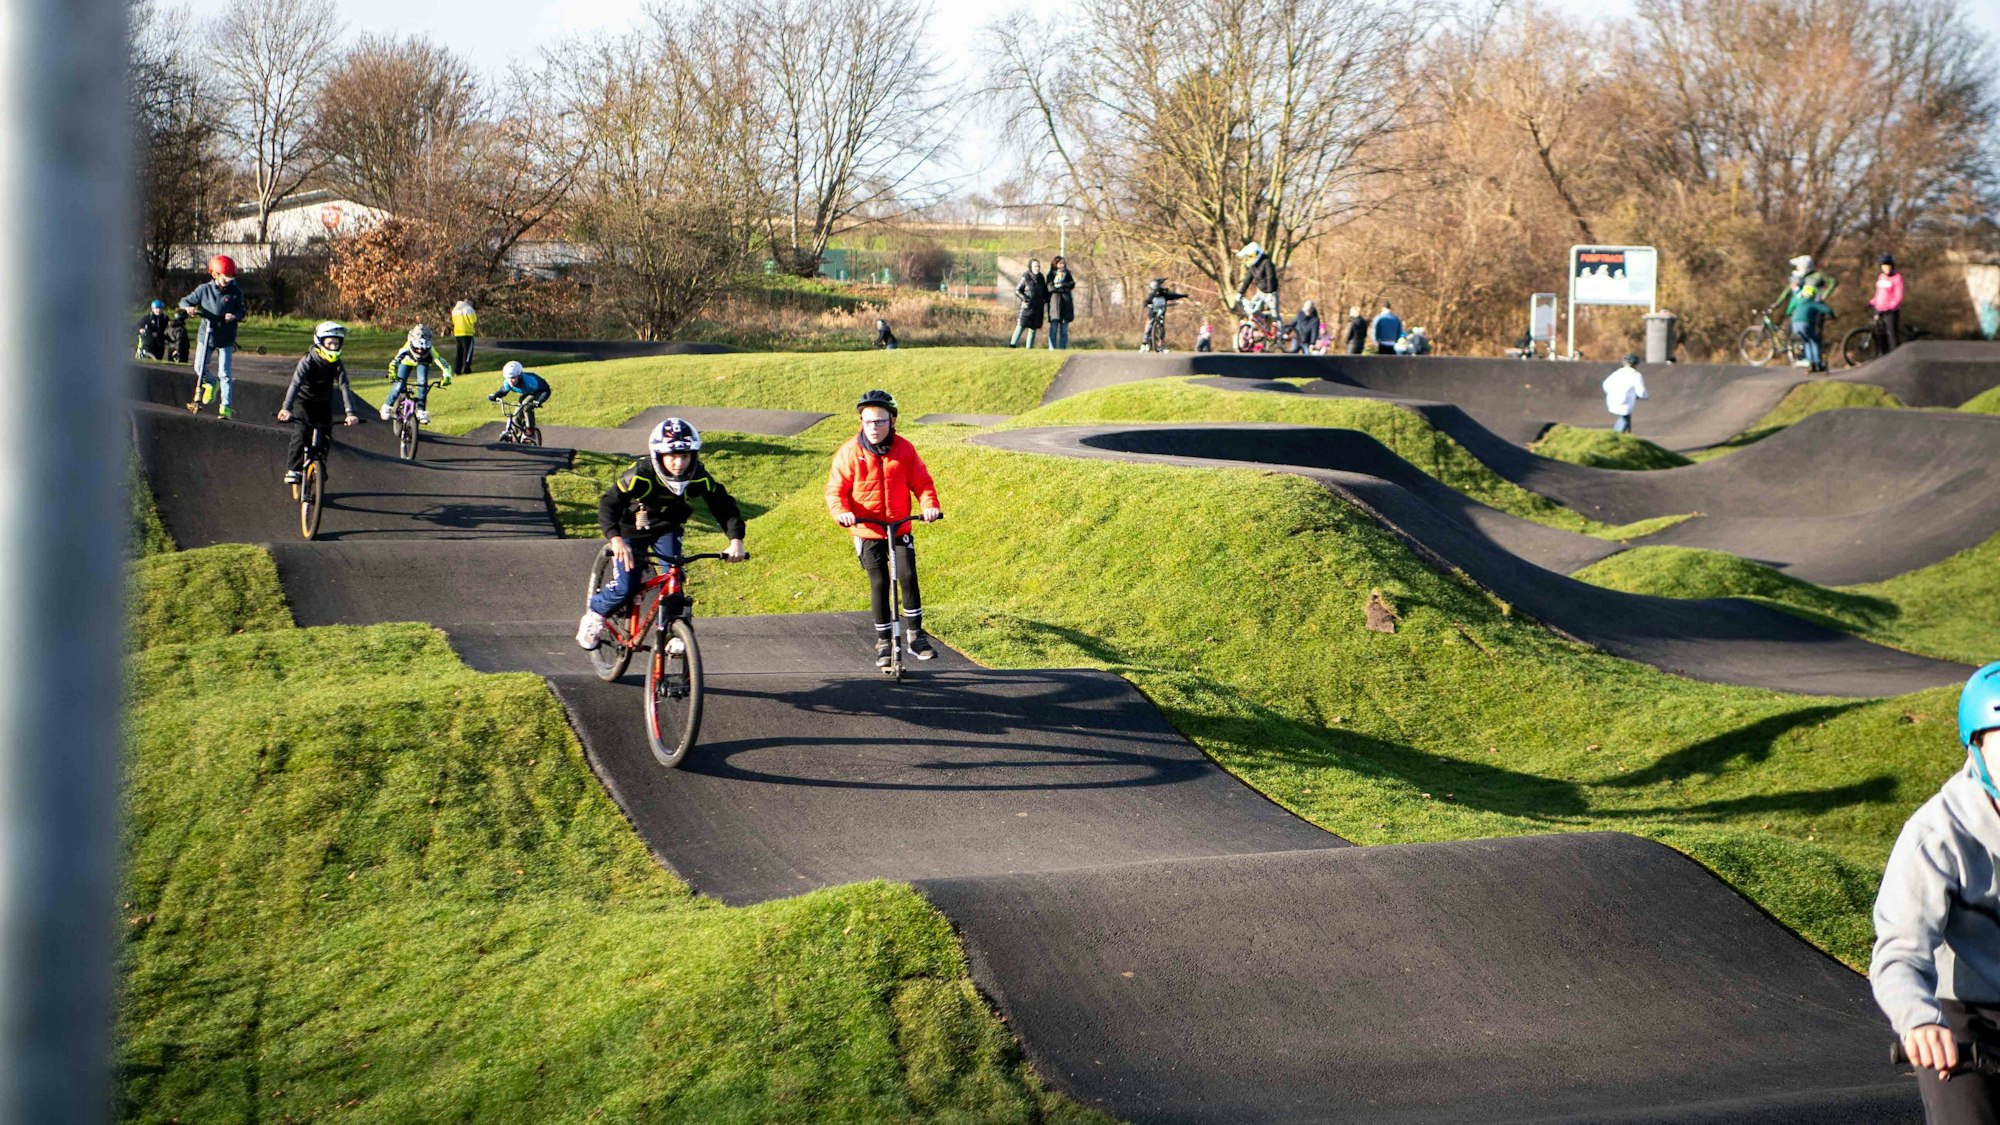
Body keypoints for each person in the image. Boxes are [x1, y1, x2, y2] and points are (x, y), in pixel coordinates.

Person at [1872, 662, 2000, 1124]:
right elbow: (1900, 954)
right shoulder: (1935, 835)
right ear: (1976, 749)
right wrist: (1919, 1020)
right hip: (1963, 1019)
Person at [575, 418, 747, 650]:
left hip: (668, 528)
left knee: (674, 579)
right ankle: (595, 613)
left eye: (685, 456)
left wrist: (735, 539)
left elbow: (722, 504)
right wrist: (615, 538)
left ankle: (673, 631)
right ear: (659, 455)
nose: (679, 463)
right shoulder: (641, 474)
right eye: (672, 456)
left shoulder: (697, 475)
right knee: (627, 586)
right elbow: (608, 503)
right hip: (631, 530)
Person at [825, 389, 943, 667]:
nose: (873, 427)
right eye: (868, 421)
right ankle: (883, 642)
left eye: (879, 421)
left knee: (907, 574)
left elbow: (923, 484)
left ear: (892, 421)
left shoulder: (904, 449)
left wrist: (930, 506)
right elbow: (835, 490)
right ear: (861, 423)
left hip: (899, 527)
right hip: (867, 529)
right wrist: (842, 513)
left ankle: (915, 635)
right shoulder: (850, 453)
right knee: (878, 582)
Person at [275, 322, 360, 485]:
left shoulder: (337, 363)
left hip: (323, 403)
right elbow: (295, 384)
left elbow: (344, 386)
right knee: (301, 433)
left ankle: (318, 468)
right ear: (320, 342)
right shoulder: (308, 360)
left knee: (326, 436)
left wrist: (351, 412)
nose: (334, 347)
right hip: (303, 402)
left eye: (337, 343)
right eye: (330, 343)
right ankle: (293, 469)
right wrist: (286, 408)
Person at [179, 253, 247, 418]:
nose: (228, 281)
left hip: (226, 336)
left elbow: (242, 311)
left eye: (231, 278)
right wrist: (189, 308)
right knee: (199, 368)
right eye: (225, 278)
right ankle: (211, 383)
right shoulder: (204, 289)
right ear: (215, 274)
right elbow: (184, 301)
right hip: (207, 334)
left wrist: (234, 316)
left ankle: (225, 407)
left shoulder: (236, 292)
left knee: (224, 372)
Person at [382, 324, 453, 424]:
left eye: (423, 348)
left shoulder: (431, 351)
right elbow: (394, 362)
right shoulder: (406, 348)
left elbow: (445, 365)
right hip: (406, 362)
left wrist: (447, 377)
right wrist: (392, 372)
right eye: (417, 347)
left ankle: (421, 411)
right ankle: (387, 406)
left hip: (423, 363)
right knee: (399, 384)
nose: (420, 350)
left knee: (423, 382)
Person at [487, 360, 552, 429]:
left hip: (540, 391)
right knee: (515, 417)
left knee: (526, 405)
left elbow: (546, 390)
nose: (510, 381)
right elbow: (503, 391)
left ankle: (530, 429)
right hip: (527, 392)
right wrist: (494, 396)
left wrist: (539, 401)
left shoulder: (529, 381)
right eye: (508, 378)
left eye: (513, 378)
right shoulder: (507, 383)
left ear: (519, 376)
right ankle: (516, 437)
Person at [1792, 284, 1834, 373]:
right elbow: (1828, 310)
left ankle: (1810, 362)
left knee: (1807, 341)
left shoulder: (1800, 303)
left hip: (1795, 325)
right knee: (1814, 340)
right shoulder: (1812, 303)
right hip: (1805, 324)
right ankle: (1816, 362)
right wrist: (1832, 316)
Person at [1235, 242, 1280, 323]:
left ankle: (1280, 334)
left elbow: (1270, 278)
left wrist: (1270, 293)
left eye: (1250, 256)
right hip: (1260, 292)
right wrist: (1240, 293)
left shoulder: (1267, 263)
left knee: (1275, 316)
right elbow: (1247, 280)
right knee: (1251, 309)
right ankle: (1265, 320)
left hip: (1271, 292)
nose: (1248, 258)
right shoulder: (1253, 266)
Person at [1602, 353, 1647, 433]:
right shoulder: (1636, 375)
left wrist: (1611, 392)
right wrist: (1644, 396)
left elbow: (1606, 384)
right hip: (1625, 400)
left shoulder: (1617, 373)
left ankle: (1620, 435)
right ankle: (1617, 435)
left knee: (1624, 417)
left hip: (1612, 398)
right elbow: (1641, 391)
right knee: (1624, 419)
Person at [1872, 254, 1906, 355]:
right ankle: (1884, 354)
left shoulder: (1897, 278)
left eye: (1888, 266)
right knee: (1879, 333)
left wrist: (1891, 306)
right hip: (1879, 309)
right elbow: (1878, 293)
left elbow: (1899, 296)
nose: (1886, 268)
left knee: (1891, 334)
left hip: (1890, 311)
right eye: (1884, 266)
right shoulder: (1881, 277)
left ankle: (1895, 356)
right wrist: (1873, 302)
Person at [1010, 259, 1048, 348]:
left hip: (1037, 308)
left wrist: (1045, 299)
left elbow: (1044, 291)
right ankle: (1012, 345)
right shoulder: (1025, 277)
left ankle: (1029, 349)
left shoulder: (1041, 278)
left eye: (1038, 266)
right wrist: (1025, 299)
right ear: (1031, 267)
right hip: (1027, 307)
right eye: (1035, 266)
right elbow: (1017, 290)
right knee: (1021, 326)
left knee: (1033, 329)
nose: (1037, 268)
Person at [1045, 256, 1077, 349]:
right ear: (1056, 264)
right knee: (1053, 329)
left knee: (1064, 330)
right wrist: (1062, 289)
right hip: (1055, 305)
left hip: (1066, 304)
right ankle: (1052, 348)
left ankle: (1063, 348)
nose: (1062, 265)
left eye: (1063, 263)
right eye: (1060, 263)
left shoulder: (1067, 273)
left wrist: (1061, 285)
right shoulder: (1051, 274)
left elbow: (1072, 284)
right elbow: (1050, 288)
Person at [451, 299, 477, 374]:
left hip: (457, 333)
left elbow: (453, 320)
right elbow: (473, 320)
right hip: (467, 333)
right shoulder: (469, 309)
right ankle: (466, 369)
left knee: (459, 352)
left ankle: (457, 369)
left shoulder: (455, 309)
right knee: (467, 353)